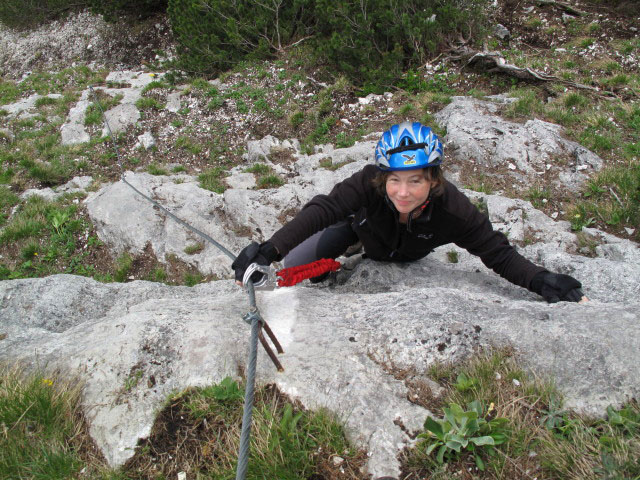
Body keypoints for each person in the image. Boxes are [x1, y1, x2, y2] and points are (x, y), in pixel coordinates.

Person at [232, 121, 584, 303]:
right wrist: (270, 250)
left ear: (433, 179)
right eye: (395, 180)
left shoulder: (454, 211)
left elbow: (497, 253)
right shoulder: (367, 183)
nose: (403, 192)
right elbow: (323, 210)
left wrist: (539, 280)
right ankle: (340, 258)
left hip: (401, 250)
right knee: (295, 266)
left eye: (415, 180)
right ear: (383, 177)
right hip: (359, 229)